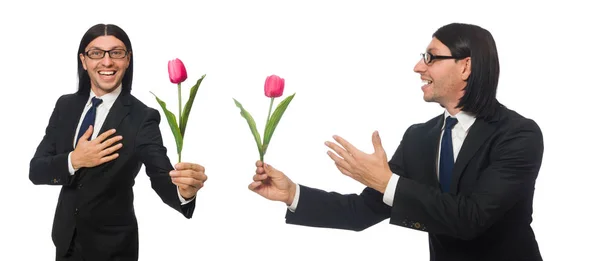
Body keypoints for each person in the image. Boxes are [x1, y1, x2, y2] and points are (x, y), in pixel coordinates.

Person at [249, 23, 544, 261]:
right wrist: (292, 194)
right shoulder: (420, 137)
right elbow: (361, 212)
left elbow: (471, 218)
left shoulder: (518, 135)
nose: (419, 67)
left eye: (431, 56)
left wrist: (388, 182)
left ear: (465, 66)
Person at [29, 23, 208, 261]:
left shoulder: (142, 117)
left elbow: (160, 175)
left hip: (113, 249)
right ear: (83, 61)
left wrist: (184, 192)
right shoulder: (66, 105)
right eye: (96, 53)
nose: (106, 62)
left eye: (116, 53)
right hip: (65, 242)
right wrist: (75, 159)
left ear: (128, 59)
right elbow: (36, 170)